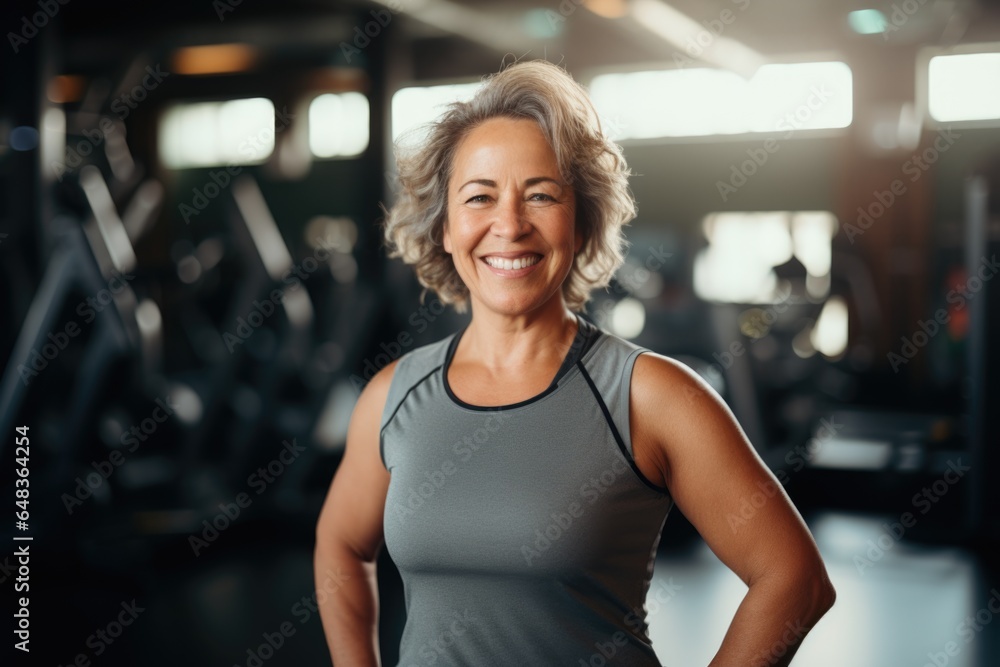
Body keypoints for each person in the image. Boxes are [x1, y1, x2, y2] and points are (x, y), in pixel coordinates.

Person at [314, 59, 835, 666]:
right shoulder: (393, 395)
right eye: (480, 197)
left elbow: (794, 577)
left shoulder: (650, 395)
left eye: (540, 195)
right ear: (446, 227)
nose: (508, 225)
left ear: (582, 221)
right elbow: (340, 546)